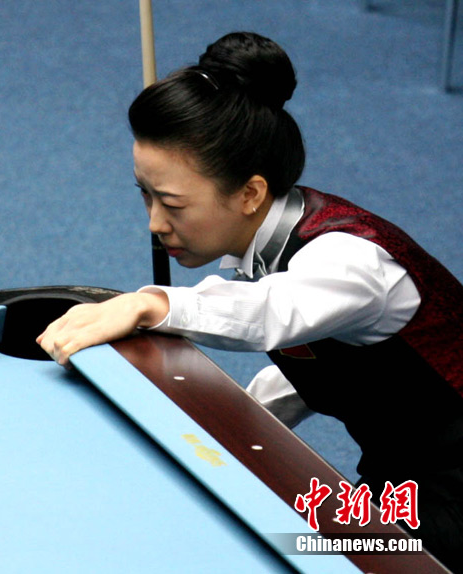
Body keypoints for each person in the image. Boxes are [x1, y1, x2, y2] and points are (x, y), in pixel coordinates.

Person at [37, 31, 463, 571]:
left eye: (172, 203)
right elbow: (322, 368)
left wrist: (150, 305)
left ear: (250, 194)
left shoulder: (347, 262)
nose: (155, 223)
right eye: (145, 195)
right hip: (402, 480)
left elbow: (270, 314)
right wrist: (221, 434)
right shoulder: (275, 248)